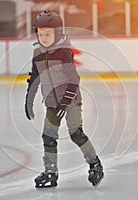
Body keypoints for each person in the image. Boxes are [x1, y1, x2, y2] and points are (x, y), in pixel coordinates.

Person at [25, 10, 103, 188]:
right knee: (48, 137)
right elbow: (35, 76)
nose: (43, 38)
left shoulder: (63, 52)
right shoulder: (37, 52)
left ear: (58, 33)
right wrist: (29, 99)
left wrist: (65, 102)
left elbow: (74, 80)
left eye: (48, 34)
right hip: (52, 103)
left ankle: (95, 164)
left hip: (71, 101)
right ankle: (50, 172)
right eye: (40, 34)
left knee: (76, 134)